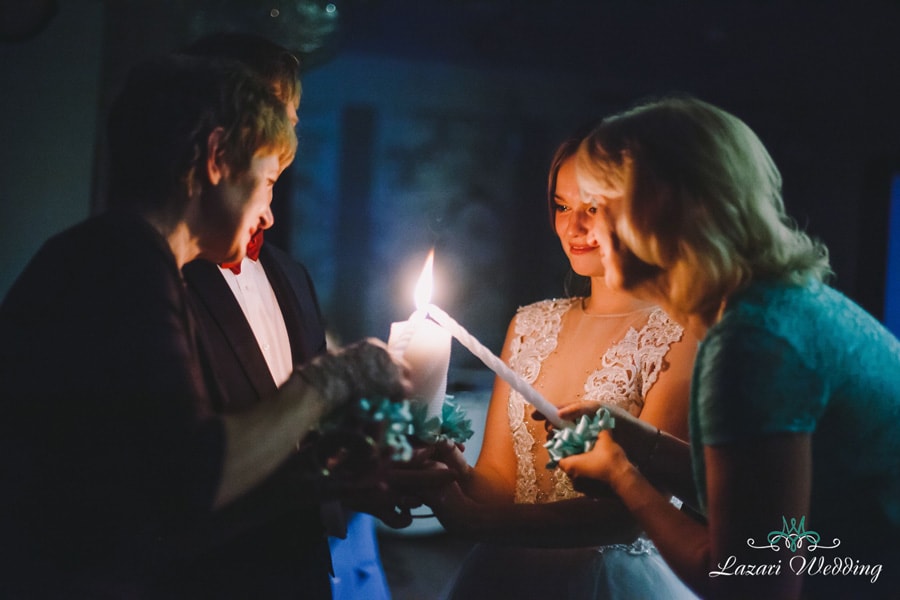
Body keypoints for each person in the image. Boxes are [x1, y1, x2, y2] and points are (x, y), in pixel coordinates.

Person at [0, 53, 411, 598]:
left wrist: (319, 481)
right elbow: (194, 475)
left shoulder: (121, 256)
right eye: (267, 179)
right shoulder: (123, 261)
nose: (267, 213)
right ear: (216, 158)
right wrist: (336, 377)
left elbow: (161, 501)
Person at [559, 95, 900, 599]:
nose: (581, 229)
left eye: (596, 206)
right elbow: (766, 499)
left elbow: (752, 583)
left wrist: (622, 477)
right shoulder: (781, 303)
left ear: (655, 212)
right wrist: (642, 443)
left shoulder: (753, 344)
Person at [426, 135, 700, 599]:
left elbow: (628, 515)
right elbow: (499, 483)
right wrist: (455, 471)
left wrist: (473, 521)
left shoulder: (683, 332)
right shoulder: (530, 324)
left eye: (593, 207)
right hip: (503, 578)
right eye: (561, 206)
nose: (574, 226)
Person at [179, 32, 393, 599]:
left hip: (301, 573)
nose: (285, 134)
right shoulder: (162, 273)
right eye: (270, 114)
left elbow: (310, 436)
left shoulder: (290, 274)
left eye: (290, 118)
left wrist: (361, 473)